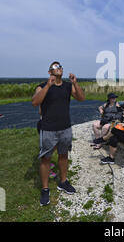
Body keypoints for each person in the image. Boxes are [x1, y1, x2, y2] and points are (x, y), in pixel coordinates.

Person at [32, 61, 85, 206]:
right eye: (55, 67)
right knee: (46, 159)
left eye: (60, 66)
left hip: (65, 128)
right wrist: (48, 86)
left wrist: (75, 83)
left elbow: (81, 98)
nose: (59, 68)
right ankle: (45, 189)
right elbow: (35, 102)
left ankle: (63, 181)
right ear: (50, 72)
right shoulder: (42, 86)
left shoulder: (68, 86)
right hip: (48, 129)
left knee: (63, 155)